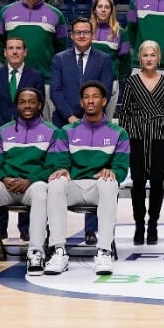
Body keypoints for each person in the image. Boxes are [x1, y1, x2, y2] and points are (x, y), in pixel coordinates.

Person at [48, 82, 131, 275]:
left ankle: (104, 251)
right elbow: (60, 162)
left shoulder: (119, 133)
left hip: (98, 188)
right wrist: (62, 170)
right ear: (81, 102)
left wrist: (113, 173)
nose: (90, 100)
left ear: (104, 101)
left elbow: (121, 168)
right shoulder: (67, 131)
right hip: (74, 185)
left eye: (95, 96)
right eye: (86, 97)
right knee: (56, 182)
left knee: (110, 182)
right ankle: (58, 251)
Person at [0, 87, 61, 274]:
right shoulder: (2, 131)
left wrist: (30, 180)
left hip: (32, 186)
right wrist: (3, 178)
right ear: (16, 106)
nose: (27, 106)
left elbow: (51, 167)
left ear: (40, 105)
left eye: (32, 102)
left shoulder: (52, 132)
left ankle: (36, 252)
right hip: (6, 186)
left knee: (41, 190)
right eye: (22, 102)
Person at [117, 41, 164, 246]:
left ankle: (153, 224)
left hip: (160, 137)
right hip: (136, 137)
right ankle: (139, 225)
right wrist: (126, 136)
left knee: (157, 183)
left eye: (153, 55)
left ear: (158, 58)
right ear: (140, 58)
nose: (149, 58)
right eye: (145, 55)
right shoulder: (132, 82)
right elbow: (124, 112)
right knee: (138, 183)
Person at [0, 0, 67, 80]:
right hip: (14, 78)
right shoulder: (5, 12)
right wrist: (7, 62)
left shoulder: (57, 15)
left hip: (44, 79)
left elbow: (61, 48)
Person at [0, 36, 47, 130]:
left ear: (25, 52)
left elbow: (39, 106)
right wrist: (5, 128)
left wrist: (21, 126)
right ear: (5, 52)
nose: (14, 52)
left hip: (28, 129)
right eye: (10, 48)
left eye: (18, 48)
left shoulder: (36, 76)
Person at [89, 0, 131, 114]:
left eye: (107, 7)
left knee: (106, 122)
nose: (103, 10)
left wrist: (116, 77)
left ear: (111, 11)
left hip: (110, 84)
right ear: (94, 10)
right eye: (100, 6)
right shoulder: (86, 31)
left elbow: (125, 61)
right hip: (87, 83)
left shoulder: (120, 33)